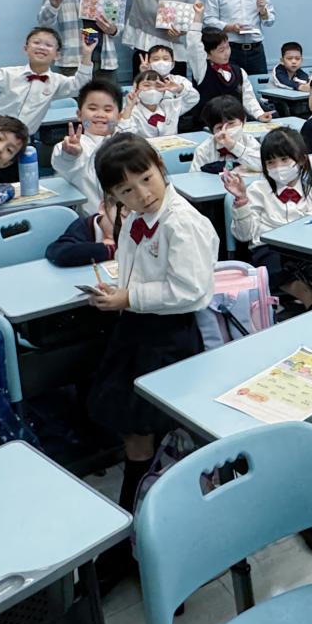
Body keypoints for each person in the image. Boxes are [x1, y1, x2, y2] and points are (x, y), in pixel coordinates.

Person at [85, 137, 217, 543]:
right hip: (137, 328)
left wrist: (130, 296)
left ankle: (140, 525)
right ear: (113, 195)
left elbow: (191, 290)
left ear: (160, 165)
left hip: (168, 335)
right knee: (135, 425)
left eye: (146, 179)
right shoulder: (137, 217)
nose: (141, 194)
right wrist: (121, 291)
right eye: (126, 190)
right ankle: (140, 517)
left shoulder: (181, 222)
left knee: (145, 426)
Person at [226, 129, 312, 310]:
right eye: (270, 162)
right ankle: (310, 300)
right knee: (272, 265)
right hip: (267, 249)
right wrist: (242, 201)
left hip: (302, 249)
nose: (278, 167)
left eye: (284, 160)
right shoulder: (257, 190)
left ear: (301, 160)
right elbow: (244, 235)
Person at [0, 27, 94, 134]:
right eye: (36, 42)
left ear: (57, 55)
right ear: (26, 49)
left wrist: (87, 54)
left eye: (48, 45)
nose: (41, 47)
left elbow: (81, 86)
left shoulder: (57, 82)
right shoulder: (10, 74)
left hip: (19, 137)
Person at [51, 80, 123, 215]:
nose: (100, 114)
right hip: (93, 219)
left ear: (119, 116)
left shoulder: (128, 143)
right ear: (79, 115)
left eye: (108, 110)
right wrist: (70, 155)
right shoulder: (76, 145)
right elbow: (63, 162)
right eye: (93, 108)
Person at [188, 26, 269, 131]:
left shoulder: (239, 72)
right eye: (221, 50)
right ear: (207, 55)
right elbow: (194, 46)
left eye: (228, 47)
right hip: (209, 128)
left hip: (236, 126)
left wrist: (259, 114)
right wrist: (197, 20)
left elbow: (248, 98)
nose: (227, 53)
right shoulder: (202, 71)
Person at [119, 46, 198, 136]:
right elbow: (124, 134)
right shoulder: (133, 112)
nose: (152, 90)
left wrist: (179, 88)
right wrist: (144, 74)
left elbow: (193, 98)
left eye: (158, 86)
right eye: (147, 85)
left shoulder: (171, 107)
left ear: (164, 91)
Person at [47, 194, 122, 267]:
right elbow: (59, 252)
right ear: (104, 207)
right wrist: (110, 249)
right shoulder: (83, 227)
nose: (125, 224)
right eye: (123, 216)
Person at [191, 97, 263, 174]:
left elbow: (264, 166)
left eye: (231, 124)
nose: (225, 131)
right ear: (212, 131)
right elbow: (195, 177)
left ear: (243, 121)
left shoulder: (249, 141)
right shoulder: (204, 150)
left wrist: (233, 146)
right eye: (219, 127)